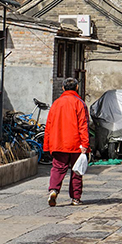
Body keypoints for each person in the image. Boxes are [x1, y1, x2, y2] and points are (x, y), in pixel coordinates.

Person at [43, 77, 90, 207]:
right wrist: (85, 144)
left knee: (58, 168)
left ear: (63, 88)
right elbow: (83, 125)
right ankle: (75, 198)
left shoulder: (56, 103)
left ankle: (53, 190)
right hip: (76, 144)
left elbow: (49, 126)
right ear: (77, 88)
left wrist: (46, 145)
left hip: (58, 143)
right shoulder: (79, 103)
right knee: (76, 171)